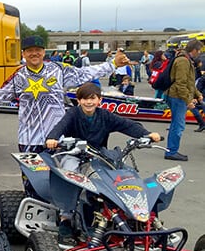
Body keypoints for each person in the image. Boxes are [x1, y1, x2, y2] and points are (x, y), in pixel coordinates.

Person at [0, 35, 130, 195]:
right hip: (29, 140)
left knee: (65, 179)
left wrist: (112, 64)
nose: (34, 53)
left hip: (59, 139)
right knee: (33, 183)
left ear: (43, 52)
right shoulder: (18, 76)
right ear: (23, 53)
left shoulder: (59, 69)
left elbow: (85, 73)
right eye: (29, 50)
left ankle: (64, 216)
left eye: (37, 50)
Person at [45, 82, 161, 242]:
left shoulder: (105, 115)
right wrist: (52, 138)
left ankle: (128, 215)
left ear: (99, 100)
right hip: (73, 153)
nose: (89, 102)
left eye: (92, 98)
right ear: (78, 100)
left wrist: (147, 134)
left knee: (121, 176)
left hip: (99, 155)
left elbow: (126, 124)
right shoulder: (73, 114)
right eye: (84, 99)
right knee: (72, 176)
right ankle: (66, 218)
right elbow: (61, 126)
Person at [164, 39, 203, 161]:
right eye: (199, 50)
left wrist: (197, 94)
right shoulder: (183, 61)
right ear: (194, 50)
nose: (200, 53)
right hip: (177, 96)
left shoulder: (183, 59)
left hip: (176, 95)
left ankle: (171, 150)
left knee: (176, 123)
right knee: (178, 124)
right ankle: (171, 151)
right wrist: (188, 100)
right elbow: (181, 84)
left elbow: (188, 82)